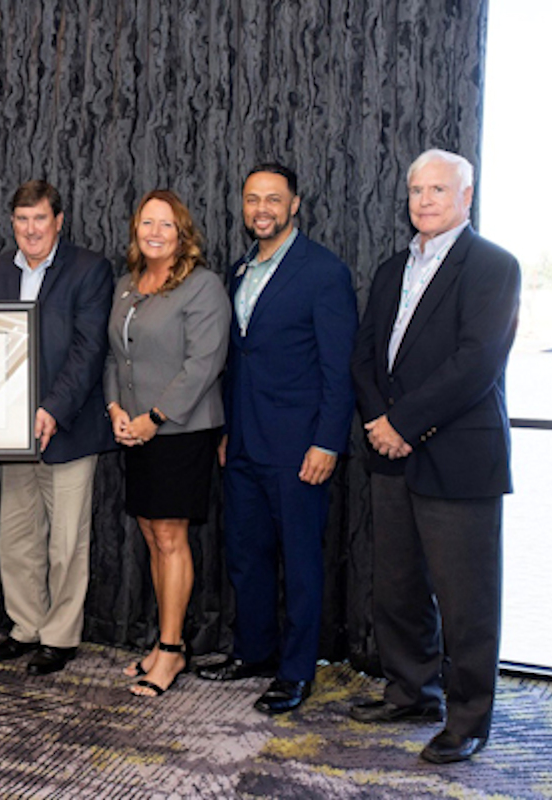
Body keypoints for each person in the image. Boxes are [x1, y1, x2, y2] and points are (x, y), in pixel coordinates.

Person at [348, 149, 520, 764]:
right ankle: (410, 691)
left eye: (438, 190)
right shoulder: (394, 267)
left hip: (457, 456)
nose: (424, 201)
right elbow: (365, 353)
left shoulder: (495, 266)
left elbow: (474, 364)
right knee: (396, 587)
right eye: (416, 190)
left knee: (467, 599)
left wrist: (403, 424)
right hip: (389, 452)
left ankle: (469, 719)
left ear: (466, 197)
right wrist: (377, 420)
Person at [196, 163, 358, 715]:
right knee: (246, 556)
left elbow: (340, 370)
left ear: (295, 205)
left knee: (302, 564)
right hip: (242, 443)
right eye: (251, 199)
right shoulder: (241, 268)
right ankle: (254, 652)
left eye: (272, 199)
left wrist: (328, 443)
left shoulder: (323, 272)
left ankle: (295, 673)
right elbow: (238, 359)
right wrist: (227, 430)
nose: (260, 208)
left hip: (299, 449)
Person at [0, 180, 114, 675]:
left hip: (69, 430)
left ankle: (59, 637)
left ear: (59, 221)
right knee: (15, 538)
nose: (31, 229)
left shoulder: (89, 269)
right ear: (11, 222)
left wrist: (52, 409)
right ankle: (25, 627)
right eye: (21, 219)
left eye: (40, 219)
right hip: (12, 432)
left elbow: (88, 350)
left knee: (65, 543)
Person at [104, 190, 230, 697]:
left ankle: (173, 651)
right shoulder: (126, 285)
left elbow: (204, 364)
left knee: (172, 539)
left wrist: (154, 418)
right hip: (133, 431)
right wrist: (115, 410)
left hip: (179, 431)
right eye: (146, 223)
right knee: (152, 537)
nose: (154, 232)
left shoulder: (202, 287)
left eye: (165, 225)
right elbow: (116, 358)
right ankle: (161, 642)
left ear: (182, 234)